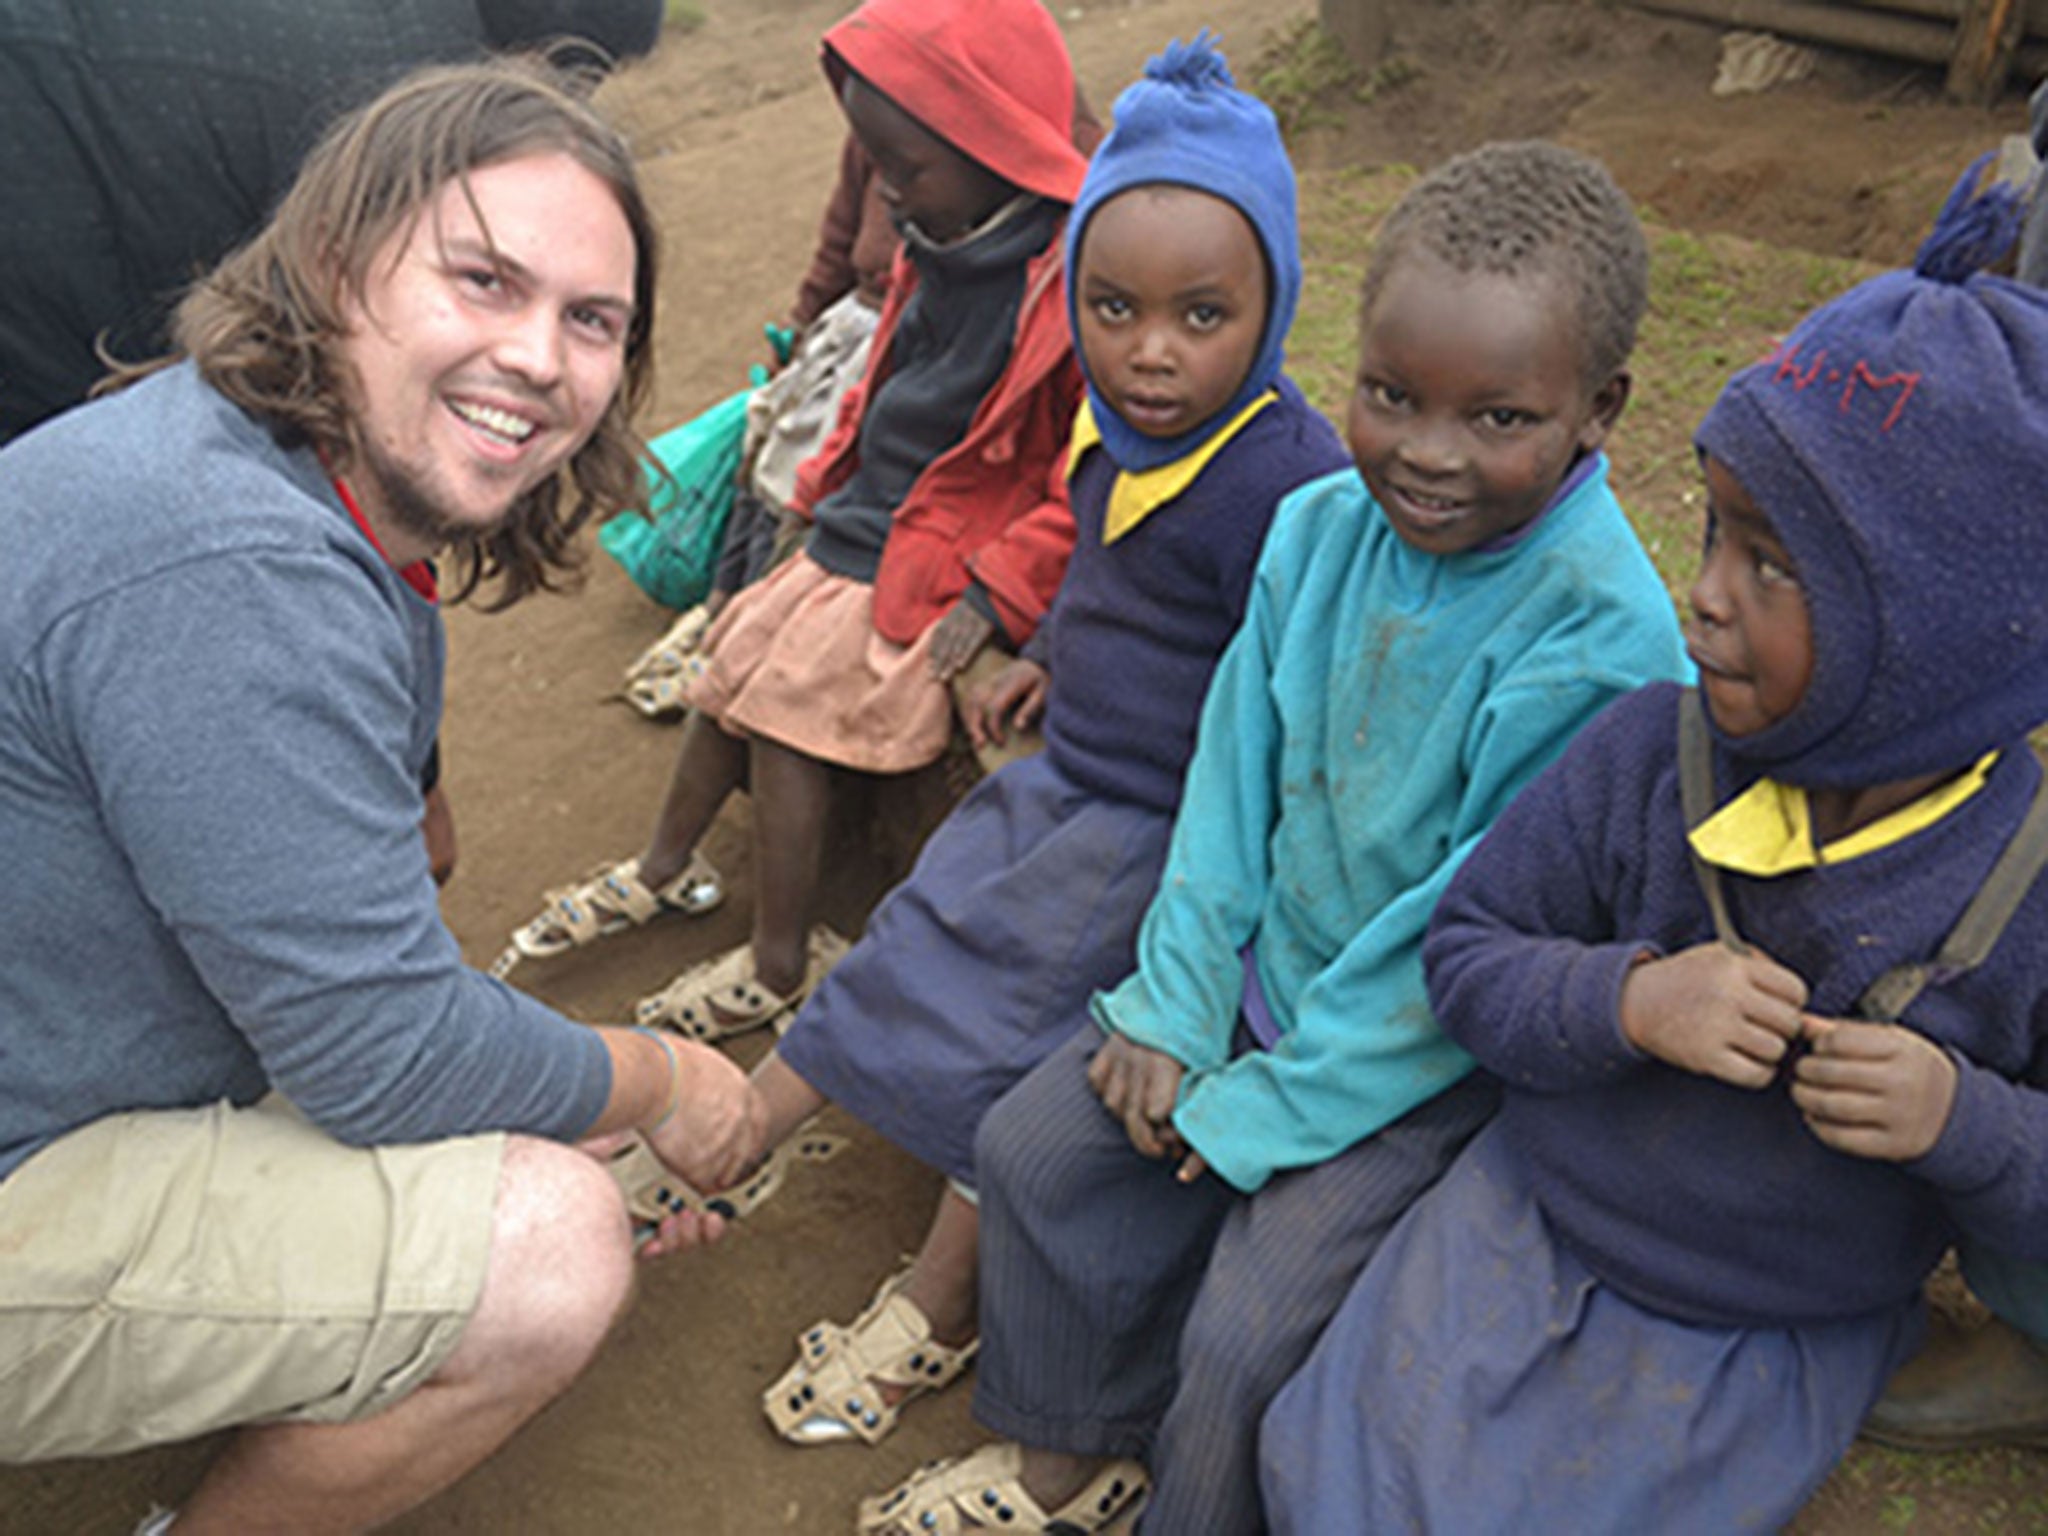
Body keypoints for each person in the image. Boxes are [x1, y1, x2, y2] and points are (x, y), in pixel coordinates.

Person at [859, 140, 1691, 1535]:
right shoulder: (1318, 528)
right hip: (1252, 987)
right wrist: (1180, 1001)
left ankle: (1187, 1506)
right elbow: (1232, 776)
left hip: (1418, 1065)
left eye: (1495, 418)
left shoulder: (1601, 647)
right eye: (1389, 396)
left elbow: (1461, 937)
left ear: (1598, 410)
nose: (1425, 454)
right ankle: (1071, 1456)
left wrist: (1269, 1107)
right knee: (1034, 1152)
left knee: (1248, 1332)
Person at [0, 59, 750, 1533]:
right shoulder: (233, 570)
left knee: (496, 1087)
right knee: (550, 1244)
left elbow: (407, 882)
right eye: (483, 281)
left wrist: (523, 1085)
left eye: (590, 320)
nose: (539, 356)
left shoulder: (230, 454)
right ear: (335, 270)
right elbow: (382, 1055)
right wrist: (662, 1079)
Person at [1259, 167, 2048, 1533]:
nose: (1705, 594)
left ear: (1943, 630)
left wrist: (1959, 1118)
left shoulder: (2021, 887)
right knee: (1323, 1464)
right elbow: (1470, 952)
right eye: (1715, 534)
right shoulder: (1646, 753)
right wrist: (1627, 1000)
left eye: (1776, 567)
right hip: (1527, 1214)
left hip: (1764, 1324)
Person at [689, 34, 1352, 1456]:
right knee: (925, 922)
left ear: (1273, 304)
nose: (1150, 350)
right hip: (1070, 779)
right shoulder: (1118, 437)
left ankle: (935, 1305)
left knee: (1017, 1032)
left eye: (1200, 315)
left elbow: (1302, 680)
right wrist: (1046, 654)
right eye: (1113, 308)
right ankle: (740, 1133)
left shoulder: (1290, 483)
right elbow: (1111, 578)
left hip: (1166, 827)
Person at [500, 0, 1090, 1047]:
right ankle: (663, 869)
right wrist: (816, 483)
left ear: (993, 143)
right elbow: (881, 385)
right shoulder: (930, 239)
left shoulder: (1064, 282)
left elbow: (1070, 476)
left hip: (937, 549)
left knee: (781, 710)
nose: (891, 191)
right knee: (724, 667)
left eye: (907, 166)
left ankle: (783, 958)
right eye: (878, 164)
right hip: (864, 519)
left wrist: (1001, 591)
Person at [0, 0, 662, 444]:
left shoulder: (383, 31)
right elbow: (333, 360)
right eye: (573, 80)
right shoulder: (402, 103)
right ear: (537, 51)